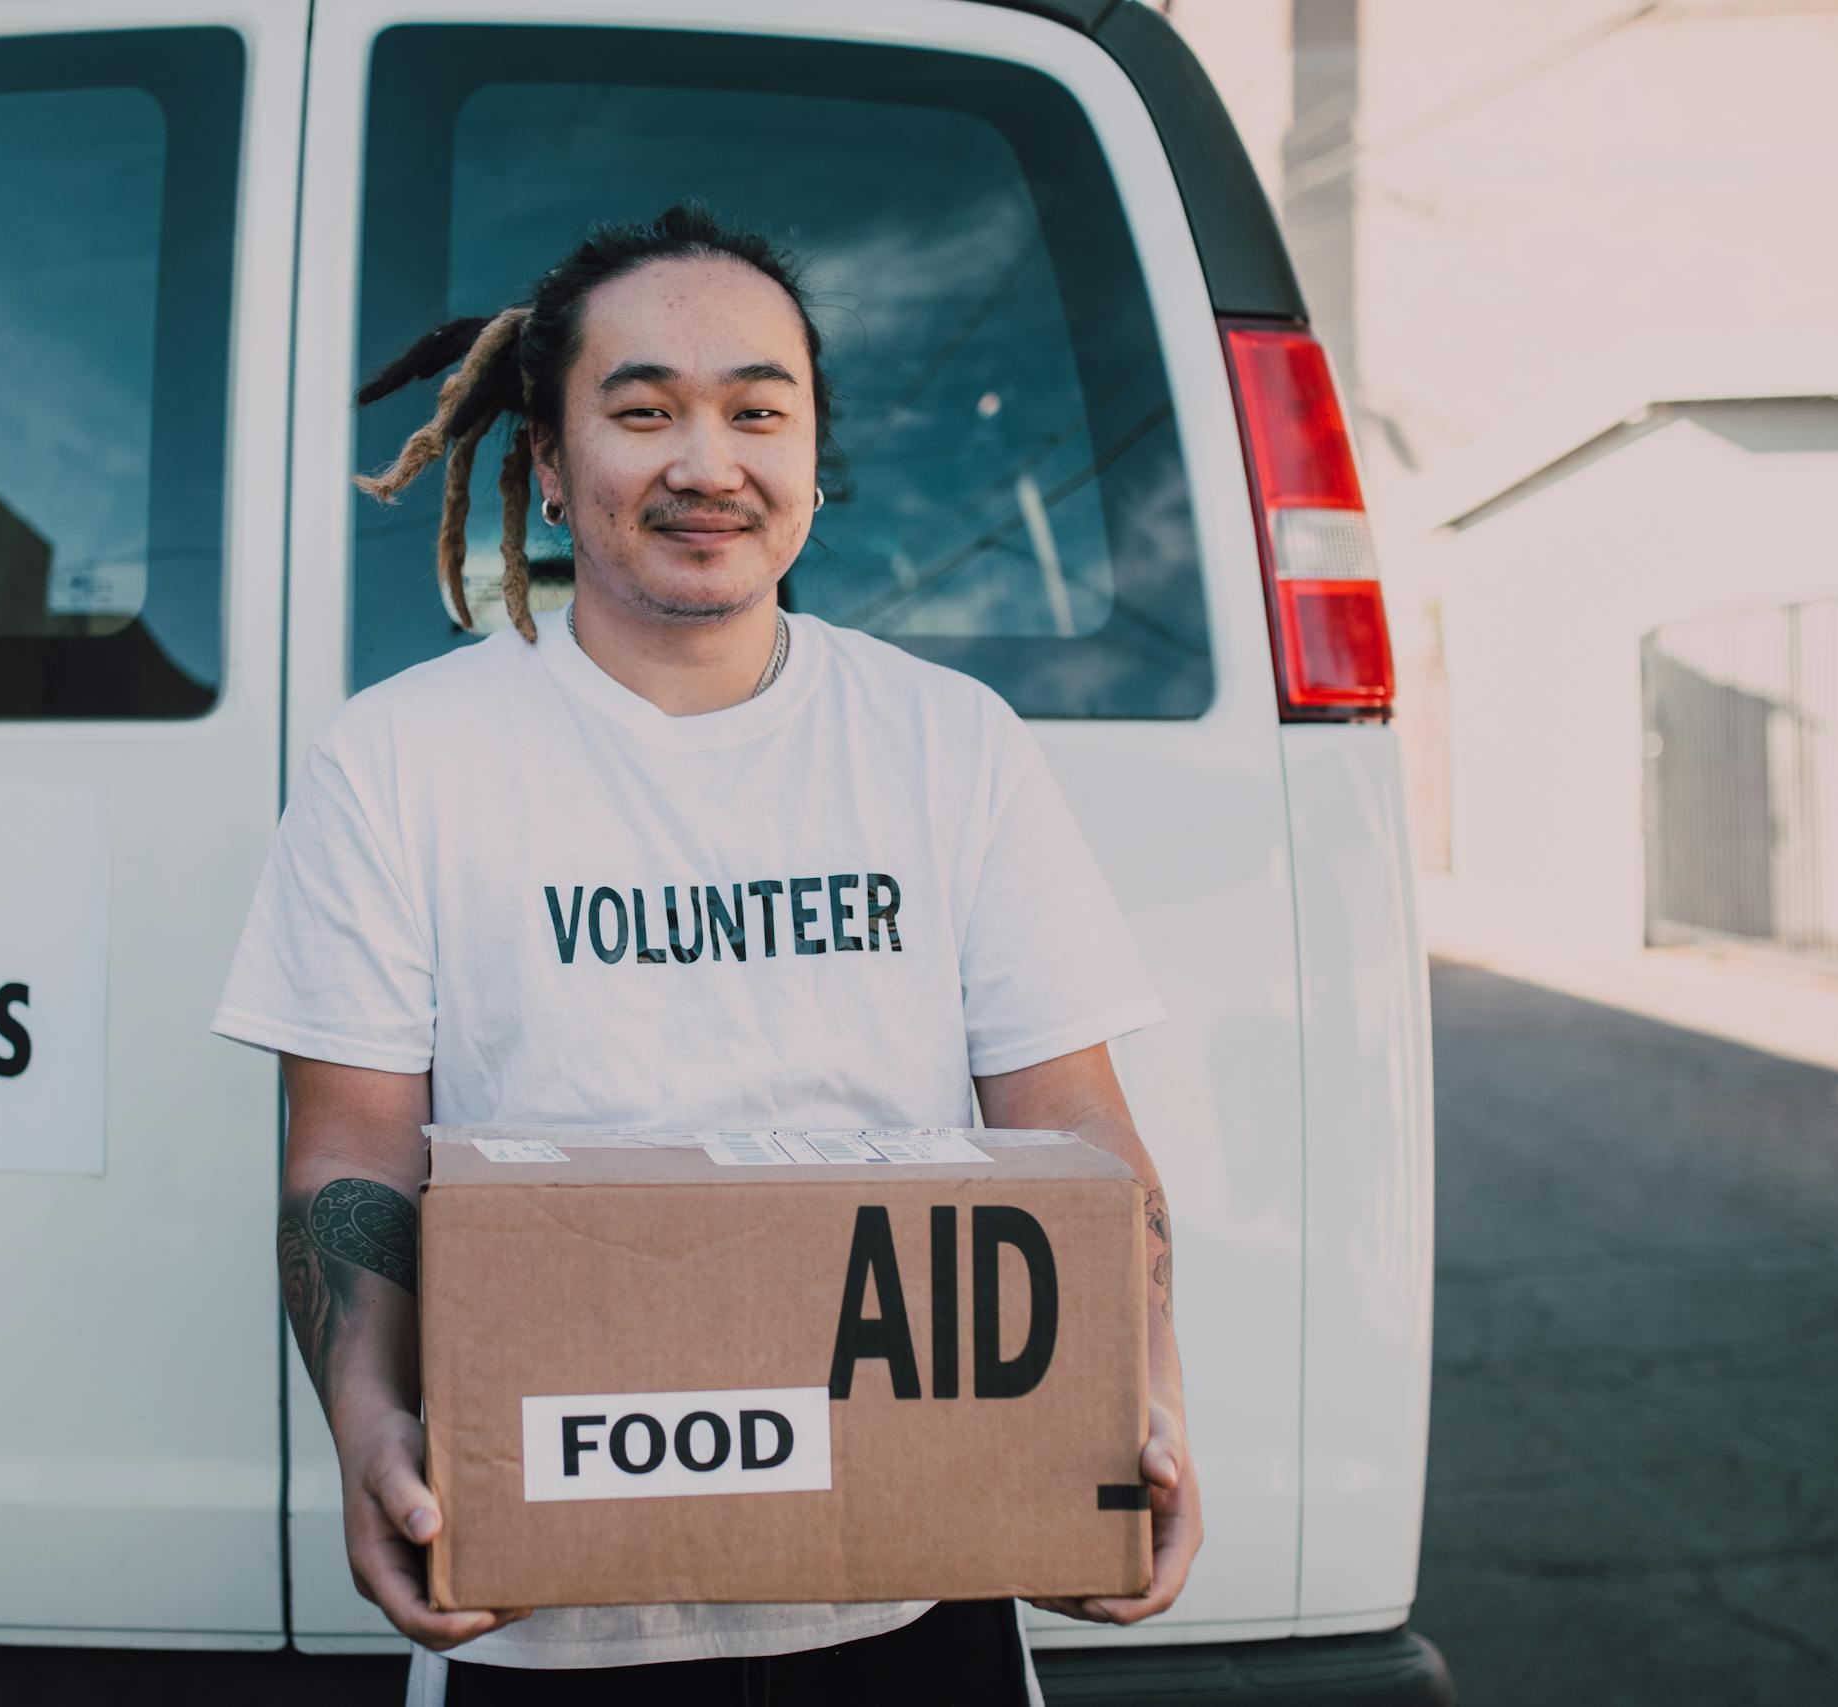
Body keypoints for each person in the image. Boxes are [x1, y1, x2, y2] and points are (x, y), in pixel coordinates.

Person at [210, 203, 1202, 1704]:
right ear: (549, 466)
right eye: (642, 410)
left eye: (757, 409)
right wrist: (366, 1420)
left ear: (813, 462)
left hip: (910, 1591)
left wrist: (1145, 1401)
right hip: (541, 1605)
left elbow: (1069, 1119)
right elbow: (348, 1148)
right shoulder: (399, 764)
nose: (705, 462)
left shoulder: (952, 748)